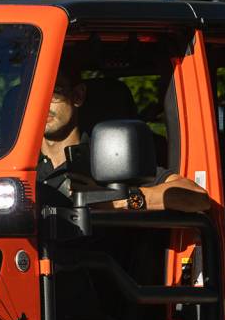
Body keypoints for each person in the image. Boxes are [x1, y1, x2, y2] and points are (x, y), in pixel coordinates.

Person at [39, 64, 211, 212]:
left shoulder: (110, 156)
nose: (43, 104)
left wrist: (116, 200)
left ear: (78, 95)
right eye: (34, 96)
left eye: (55, 92)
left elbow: (196, 197)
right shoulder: (15, 161)